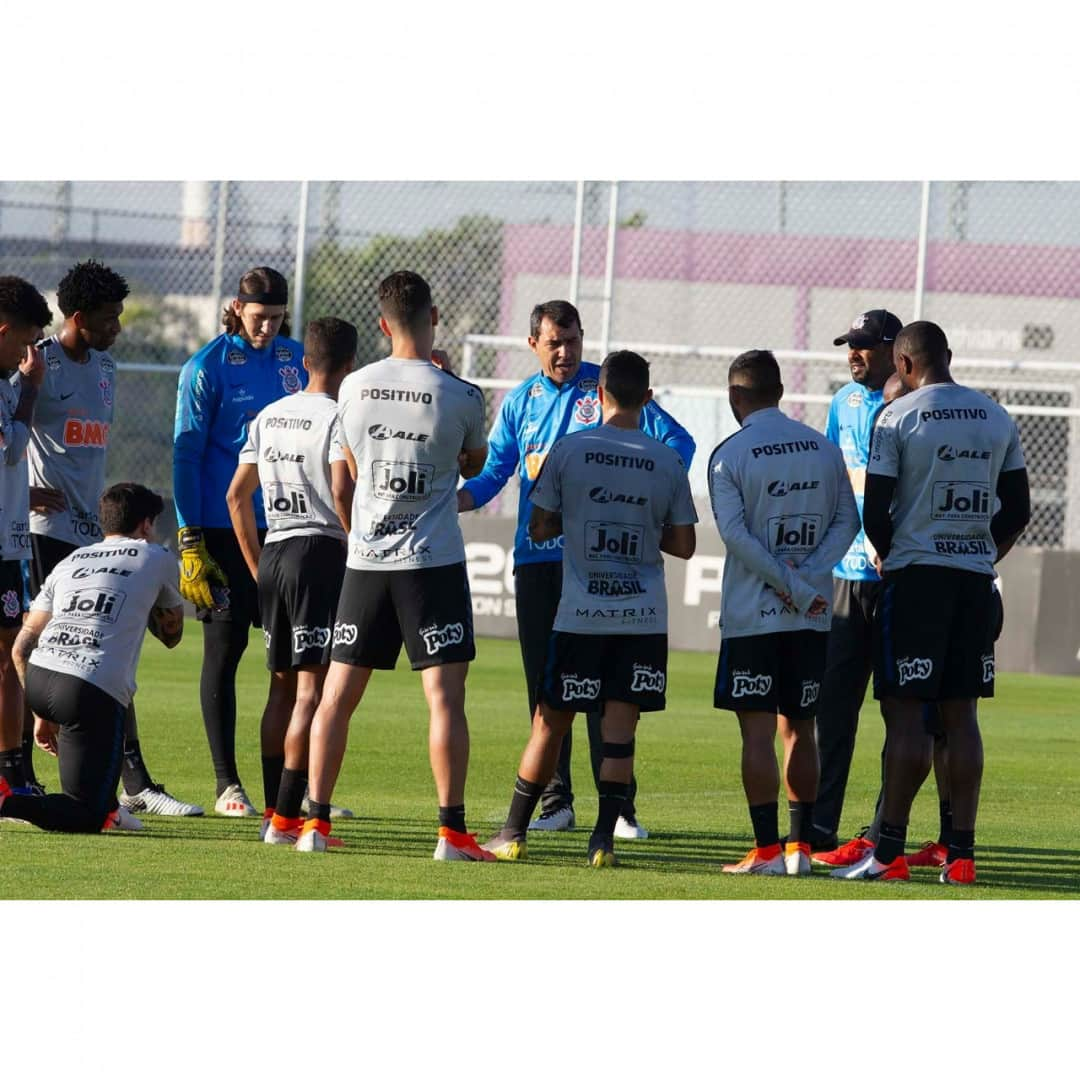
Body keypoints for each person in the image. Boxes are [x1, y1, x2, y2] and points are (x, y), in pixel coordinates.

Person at [458, 300, 695, 838]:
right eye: (554, 343)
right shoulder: (520, 403)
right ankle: (556, 804)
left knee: (610, 690)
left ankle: (621, 810)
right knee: (547, 689)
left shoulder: (608, 388)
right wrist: (456, 501)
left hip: (599, 562)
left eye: (572, 341)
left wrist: (639, 498)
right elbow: (495, 471)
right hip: (539, 560)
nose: (565, 352)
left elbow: (677, 443)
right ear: (533, 344)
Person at [296, 270, 490, 858]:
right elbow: (476, 465)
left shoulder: (352, 387)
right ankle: (451, 832)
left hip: (367, 562)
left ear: (382, 324)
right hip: (431, 563)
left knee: (335, 698)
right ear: (434, 318)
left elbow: (349, 467)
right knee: (445, 699)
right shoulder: (461, 393)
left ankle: (314, 826)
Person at [833, 320, 1029, 884]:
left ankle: (888, 855)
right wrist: (982, 554)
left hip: (917, 580)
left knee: (905, 721)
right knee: (961, 716)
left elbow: (876, 510)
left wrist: (896, 557)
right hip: (973, 581)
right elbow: (1017, 510)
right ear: (948, 355)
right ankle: (962, 856)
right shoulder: (995, 415)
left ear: (903, 364)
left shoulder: (897, 416)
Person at [25, 260, 201, 817]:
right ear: (78, 317)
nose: (118, 327)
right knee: (53, 653)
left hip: (95, 537)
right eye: (108, 317)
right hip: (45, 534)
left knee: (112, 654)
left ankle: (132, 784)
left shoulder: (105, 366)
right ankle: (26, 778)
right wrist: (18, 493)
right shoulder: (37, 363)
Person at [708, 349, 859, 875]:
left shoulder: (730, 453)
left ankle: (767, 850)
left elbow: (734, 536)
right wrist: (811, 574)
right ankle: (800, 849)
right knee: (801, 727)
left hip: (755, 615)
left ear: (736, 396)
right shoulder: (821, 447)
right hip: (811, 615)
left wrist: (789, 583)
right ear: (780, 392)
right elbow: (849, 520)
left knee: (757, 733)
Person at [173, 266, 308, 816]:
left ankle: (292, 790)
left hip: (285, 528)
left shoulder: (295, 359)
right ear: (237, 308)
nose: (268, 327)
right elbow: (186, 455)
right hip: (222, 532)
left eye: (276, 317)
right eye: (259, 317)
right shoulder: (205, 367)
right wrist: (188, 537)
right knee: (226, 652)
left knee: (297, 661)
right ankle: (228, 783)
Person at [225, 317, 357, 843]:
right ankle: (285, 818)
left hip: (275, 550)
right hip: (319, 552)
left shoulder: (270, 415)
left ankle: (272, 812)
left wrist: (258, 569)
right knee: (311, 692)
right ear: (349, 367)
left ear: (305, 360)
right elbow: (342, 492)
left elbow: (237, 497)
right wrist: (362, 547)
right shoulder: (339, 416)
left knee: (280, 690)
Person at [0, 483, 184, 832]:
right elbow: (172, 636)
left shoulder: (71, 560)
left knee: (87, 788)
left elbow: (21, 648)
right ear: (145, 525)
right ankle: (7, 800)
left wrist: (41, 711)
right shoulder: (157, 556)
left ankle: (112, 807)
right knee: (86, 815)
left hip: (41, 677)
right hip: (88, 687)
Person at [0, 277, 52, 796]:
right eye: (25, 341)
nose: (28, 354)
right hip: (1, 547)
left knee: (7, 654)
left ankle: (10, 773)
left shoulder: (6, 383)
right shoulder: (15, 386)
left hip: (8, 541)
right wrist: (32, 389)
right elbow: (13, 448)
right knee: (6, 654)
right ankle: (9, 773)